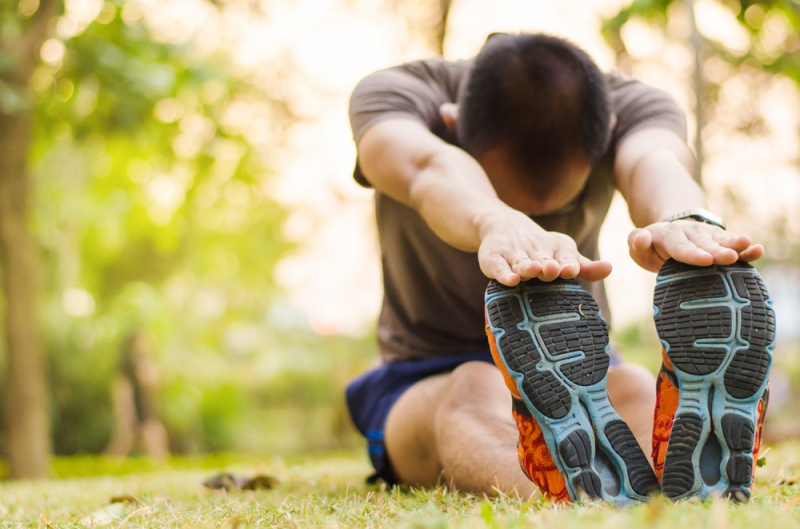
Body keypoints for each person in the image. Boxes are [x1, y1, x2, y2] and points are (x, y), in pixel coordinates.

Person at [344, 33, 774, 503]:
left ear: (608, 132)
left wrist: (684, 218)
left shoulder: (635, 106)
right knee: (474, 383)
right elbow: (426, 166)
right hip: (427, 372)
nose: (538, 238)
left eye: (550, 216)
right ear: (451, 123)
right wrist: (495, 222)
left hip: (579, 370)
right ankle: (569, 496)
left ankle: (666, 491)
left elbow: (656, 157)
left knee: (628, 383)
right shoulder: (397, 96)